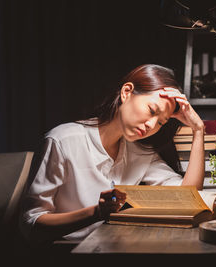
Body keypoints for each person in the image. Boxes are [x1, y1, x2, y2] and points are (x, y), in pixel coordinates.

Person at [19, 64, 205, 244]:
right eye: (151, 110)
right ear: (126, 92)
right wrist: (96, 212)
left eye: (161, 123)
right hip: (66, 254)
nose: (152, 125)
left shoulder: (140, 153)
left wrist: (198, 130)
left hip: (116, 250)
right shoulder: (62, 141)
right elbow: (31, 226)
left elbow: (188, 196)